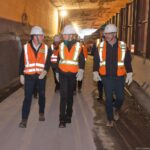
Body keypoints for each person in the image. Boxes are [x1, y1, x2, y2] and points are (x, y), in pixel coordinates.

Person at [93, 24, 133, 127]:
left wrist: (129, 72)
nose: (106, 35)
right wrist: (95, 71)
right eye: (105, 33)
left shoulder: (123, 46)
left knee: (120, 97)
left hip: (119, 77)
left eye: (108, 34)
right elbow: (96, 59)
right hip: (106, 77)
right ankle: (110, 119)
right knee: (109, 98)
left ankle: (116, 108)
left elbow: (127, 61)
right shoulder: (101, 46)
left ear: (115, 34)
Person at [19, 26, 51, 128]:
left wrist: (46, 70)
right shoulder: (25, 47)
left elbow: (48, 61)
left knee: (42, 95)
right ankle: (24, 120)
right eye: (41, 36)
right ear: (34, 37)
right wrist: (21, 74)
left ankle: (41, 113)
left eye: (42, 36)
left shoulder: (46, 48)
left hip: (41, 77)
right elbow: (21, 62)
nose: (42, 37)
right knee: (27, 98)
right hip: (29, 77)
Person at [57, 24, 85, 128]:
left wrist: (81, 69)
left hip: (72, 74)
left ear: (70, 35)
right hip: (63, 73)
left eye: (65, 34)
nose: (63, 36)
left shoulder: (78, 46)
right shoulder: (61, 45)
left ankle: (69, 114)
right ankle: (62, 119)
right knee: (63, 96)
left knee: (69, 96)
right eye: (63, 34)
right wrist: (56, 71)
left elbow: (81, 59)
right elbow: (59, 59)